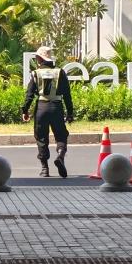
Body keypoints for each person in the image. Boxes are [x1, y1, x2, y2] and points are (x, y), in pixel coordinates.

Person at [21, 45, 74, 177]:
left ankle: (45, 168)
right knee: (61, 135)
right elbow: (67, 95)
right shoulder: (60, 72)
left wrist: (25, 110)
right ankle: (60, 155)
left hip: (42, 108)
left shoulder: (35, 73)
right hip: (57, 107)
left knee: (41, 137)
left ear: (39, 59)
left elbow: (29, 95)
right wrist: (70, 112)